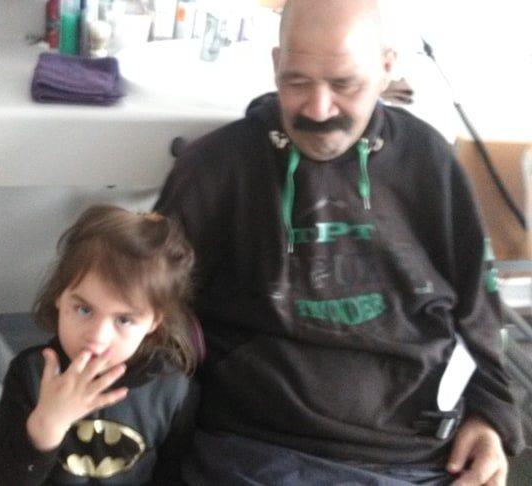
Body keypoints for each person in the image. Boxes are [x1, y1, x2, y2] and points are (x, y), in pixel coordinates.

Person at [154, 0, 525, 484]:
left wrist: (491, 415)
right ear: (275, 64)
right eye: (296, 82)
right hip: (259, 451)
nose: (318, 109)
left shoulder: (428, 161)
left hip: (418, 456)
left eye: (344, 84)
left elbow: (478, 303)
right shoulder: (217, 168)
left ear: (387, 69)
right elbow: (143, 299)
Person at [0, 205, 199, 485]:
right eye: (84, 309)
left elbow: (173, 472)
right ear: (59, 297)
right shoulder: (30, 374)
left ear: (153, 322)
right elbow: (8, 479)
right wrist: (46, 426)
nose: (98, 337)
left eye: (124, 320)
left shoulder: (172, 388)